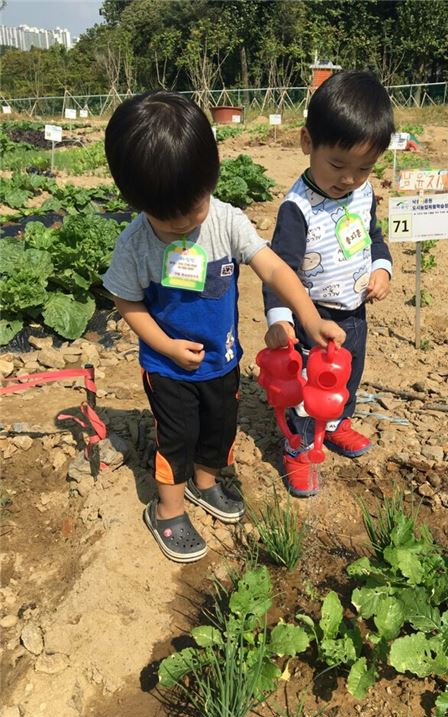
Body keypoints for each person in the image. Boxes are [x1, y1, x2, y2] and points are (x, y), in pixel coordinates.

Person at [102, 91, 345, 563]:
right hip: (169, 369)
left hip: (223, 359)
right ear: (134, 200)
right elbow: (126, 301)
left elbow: (273, 269)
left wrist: (309, 317)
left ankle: (204, 484)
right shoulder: (134, 244)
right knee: (176, 438)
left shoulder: (227, 222)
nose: (179, 225)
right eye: (164, 219)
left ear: (210, 177)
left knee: (219, 430)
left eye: (190, 210)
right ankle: (167, 510)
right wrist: (166, 346)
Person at [263, 70, 395, 498]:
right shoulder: (297, 209)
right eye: (337, 165)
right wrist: (282, 321)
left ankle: (336, 424)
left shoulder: (363, 193)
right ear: (307, 143)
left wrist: (382, 268)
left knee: (347, 376)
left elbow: (375, 238)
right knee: (306, 388)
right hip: (311, 318)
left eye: (363, 168)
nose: (348, 178)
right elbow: (278, 269)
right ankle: (298, 446)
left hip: (353, 314)